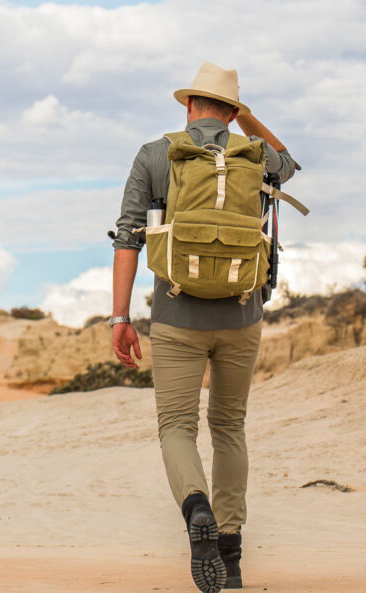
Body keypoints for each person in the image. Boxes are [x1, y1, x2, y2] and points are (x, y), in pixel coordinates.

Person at [108, 62, 298, 592]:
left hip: (175, 315)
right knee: (229, 426)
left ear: (188, 106)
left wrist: (121, 318)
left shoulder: (156, 154)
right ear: (234, 113)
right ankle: (232, 554)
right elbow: (293, 165)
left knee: (176, 426)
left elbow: (128, 238)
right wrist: (251, 122)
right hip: (242, 315)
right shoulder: (257, 155)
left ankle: (197, 509)